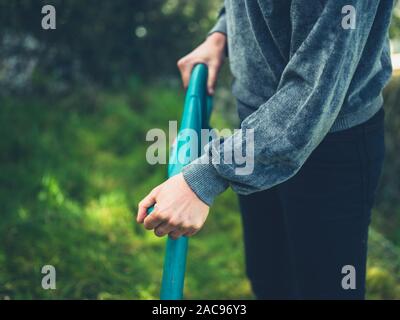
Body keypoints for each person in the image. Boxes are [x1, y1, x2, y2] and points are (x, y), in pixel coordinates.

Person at [137, 0, 394, 299]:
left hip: (331, 144)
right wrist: (222, 32)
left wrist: (205, 177)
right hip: (256, 126)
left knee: (325, 289)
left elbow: (314, 92)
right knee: (269, 280)